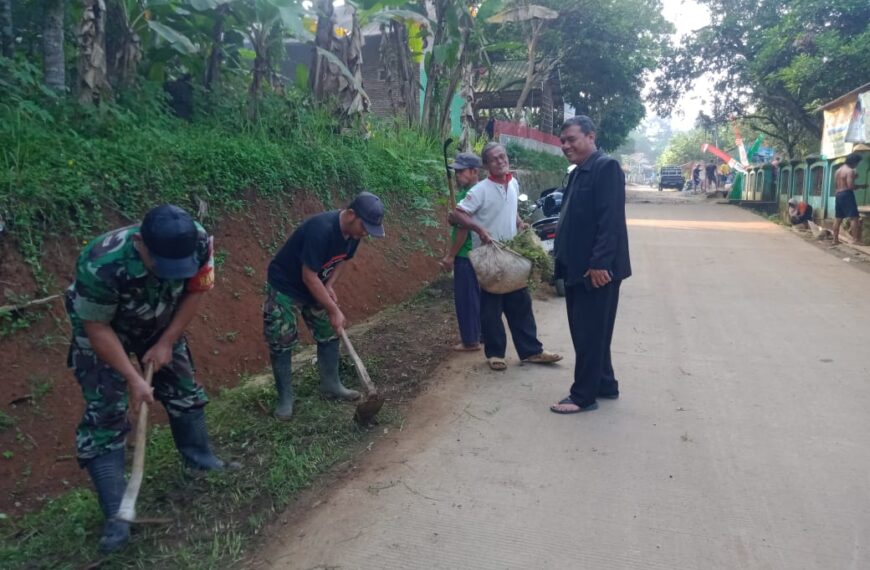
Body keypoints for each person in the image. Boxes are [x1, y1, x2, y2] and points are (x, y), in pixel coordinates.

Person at [66, 204, 229, 553]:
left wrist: (168, 340)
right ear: (140, 243)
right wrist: (133, 377)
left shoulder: (197, 241)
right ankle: (117, 514)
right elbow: (96, 327)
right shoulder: (101, 263)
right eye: (163, 267)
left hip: (160, 320)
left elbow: (196, 290)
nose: (172, 275)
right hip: (106, 332)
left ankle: (201, 461)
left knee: (184, 389)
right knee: (105, 415)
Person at [264, 192, 385, 421]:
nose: (366, 232)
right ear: (351, 214)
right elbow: (308, 276)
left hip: (315, 282)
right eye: (365, 226)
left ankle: (331, 385)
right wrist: (333, 309)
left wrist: (329, 285)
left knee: (329, 331)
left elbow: (342, 260)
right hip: (286, 284)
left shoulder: (354, 233)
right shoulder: (322, 229)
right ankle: (285, 399)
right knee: (281, 338)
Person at [449, 142, 562, 371]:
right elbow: (457, 215)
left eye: (502, 157)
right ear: (486, 165)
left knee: (520, 302)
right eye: (494, 159)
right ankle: (495, 354)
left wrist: (519, 223)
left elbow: (510, 210)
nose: (500, 161)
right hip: (489, 256)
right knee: (491, 308)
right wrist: (479, 230)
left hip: (511, 253)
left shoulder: (513, 184)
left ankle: (532, 351)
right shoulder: (479, 191)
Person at [551, 116, 632, 414]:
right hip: (577, 266)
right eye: (562, 141)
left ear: (590, 136)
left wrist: (600, 264)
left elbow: (609, 221)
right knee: (594, 331)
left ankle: (583, 395)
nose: (565, 145)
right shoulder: (579, 172)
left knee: (587, 332)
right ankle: (605, 383)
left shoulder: (605, 167)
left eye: (571, 139)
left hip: (595, 270)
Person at [441, 152, 483, 351]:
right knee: (478, 297)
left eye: (461, 171)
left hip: (466, 255)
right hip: (480, 254)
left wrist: (450, 255)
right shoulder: (483, 190)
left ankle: (470, 340)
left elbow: (463, 229)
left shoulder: (470, 195)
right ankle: (480, 334)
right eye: (456, 172)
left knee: (466, 300)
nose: (457, 175)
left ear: (474, 171)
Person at [833, 153, 867, 245]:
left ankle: (835, 239)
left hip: (838, 194)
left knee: (838, 217)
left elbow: (837, 184)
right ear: (854, 161)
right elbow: (850, 186)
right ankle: (855, 240)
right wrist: (861, 186)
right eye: (857, 163)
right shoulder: (850, 171)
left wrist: (853, 178)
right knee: (854, 217)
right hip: (846, 194)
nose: (857, 165)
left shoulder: (838, 171)